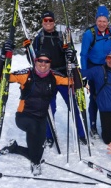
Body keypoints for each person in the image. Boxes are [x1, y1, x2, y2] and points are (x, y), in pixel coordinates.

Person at [0, 41, 56, 176]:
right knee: (33, 130)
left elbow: (76, 83)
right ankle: (35, 162)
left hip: (42, 118)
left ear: (50, 63)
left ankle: (15, 149)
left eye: (46, 61)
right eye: (40, 61)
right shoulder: (26, 74)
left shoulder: (54, 76)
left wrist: (72, 63)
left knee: (38, 149)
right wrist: (3, 56)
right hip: (24, 116)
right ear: (35, 61)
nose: (43, 64)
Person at [24, 10, 87, 146]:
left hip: (64, 76)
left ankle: (81, 134)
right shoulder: (38, 39)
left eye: (50, 20)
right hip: (47, 78)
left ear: (54, 22)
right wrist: (27, 50)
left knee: (73, 106)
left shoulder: (61, 36)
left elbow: (69, 53)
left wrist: (70, 53)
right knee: (49, 107)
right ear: (42, 22)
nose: (48, 23)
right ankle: (49, 135)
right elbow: (32, 60)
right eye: (45, 20)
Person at [80, 5, 111, 139]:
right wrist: (84, 73)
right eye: (99, 21)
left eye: (104, 21)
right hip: (93, 67)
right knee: (95, 97)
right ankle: (93, 125)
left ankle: (108, 122)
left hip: (107, 66)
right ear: (96, 21)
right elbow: (83, 54)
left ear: (108, 21)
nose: (102, 24)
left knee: (108, 95)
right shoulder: (89, 34)